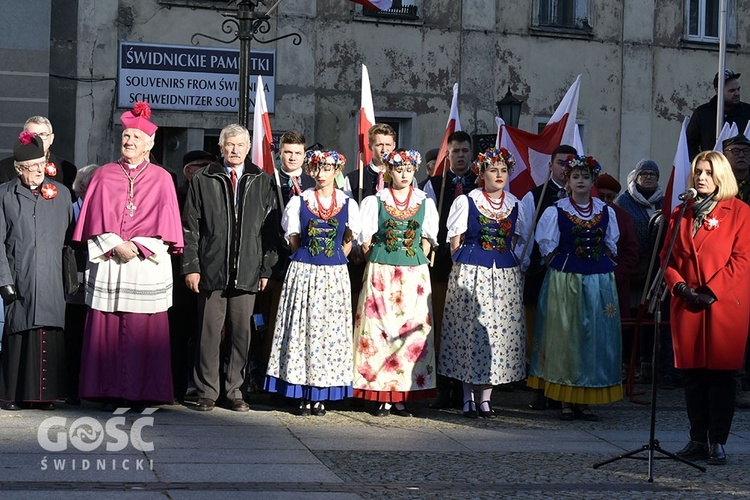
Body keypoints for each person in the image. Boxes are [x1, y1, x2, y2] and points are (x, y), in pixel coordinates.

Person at [73, 102, 184, 410]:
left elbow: (169, 224)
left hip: (144, 263)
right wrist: (114, 243)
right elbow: (91, 220)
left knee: (144, 331)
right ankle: (106, 391)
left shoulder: (163, 178)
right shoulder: (104, 175)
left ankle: (143, 393)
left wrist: (137, 245)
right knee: (107, 327)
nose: (129, 142)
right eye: (126, 137)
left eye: (136, 137)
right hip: (111, 260)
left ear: (149, 144)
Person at [182, 123, 279, 412]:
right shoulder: (204, 178)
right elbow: (191, 226)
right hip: (211, 269)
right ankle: (207, 391)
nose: (235, 150)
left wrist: (266, 269)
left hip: (248, 268)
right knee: (209, 333)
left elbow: (269, 229)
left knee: (241, 334)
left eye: (240, 145)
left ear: (248, 148)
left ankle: (235, 389)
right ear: (221, 148)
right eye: (230, 145)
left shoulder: (262, 180)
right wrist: (191, 266)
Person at [662, 151, 750, 465]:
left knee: (720, 377)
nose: (701, 177)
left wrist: (710, 292)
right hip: (687, 304)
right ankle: (697, 438)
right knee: (693, 377)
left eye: (708, 172)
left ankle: (718, 442)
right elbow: (667, 257)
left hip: (722, 305)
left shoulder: (740, 212)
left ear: (721, 176)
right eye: (698, 171)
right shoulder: (680, 211)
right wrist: (680, 287)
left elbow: (742, 260)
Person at [265, 150, 360, 416]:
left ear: (336, 171)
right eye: (316, 168)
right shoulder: (300, 201)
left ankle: (321, 394)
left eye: (327, 168)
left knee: (329, 332)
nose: (321, 174)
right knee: (302, 328)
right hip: (305, 270)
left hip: (333, 274)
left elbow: (349, 239)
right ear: (310, 171)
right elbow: (294, 240)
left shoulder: (347, 203)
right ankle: (301, 392)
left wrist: (335, 257)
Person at [528, 154, 622, 421]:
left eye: (585, 176)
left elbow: (611, 245)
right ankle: (564, 399)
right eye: (575, 176)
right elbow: (547, 248)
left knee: (593, 338)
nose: (580, 181)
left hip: (598, 281)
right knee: (565, 337)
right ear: (567, 180)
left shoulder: (606, 211)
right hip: (565, 280)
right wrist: (561, 269)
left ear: (593, 180)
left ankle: (585, 398)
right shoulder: (555, 210)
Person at [438, 148, 528, 419]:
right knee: (469, 333)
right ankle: (467, 397)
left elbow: (515, 241)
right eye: (493, 170)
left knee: (496, 336)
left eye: (503, 171)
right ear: (481, 173)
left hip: (503, 275)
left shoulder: (515, 204)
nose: (499, 175)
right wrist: (465, 267)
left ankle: (486, 398)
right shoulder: (468, 201)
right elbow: (455, 242)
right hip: (471, 272)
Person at [352, 149, 439, 417]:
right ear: (390, 171)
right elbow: (366, 240)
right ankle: (380, 395)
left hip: (413, 274)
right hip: (382, 271)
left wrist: (416, 259)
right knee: (379, 330)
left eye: (409, 169)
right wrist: (377, 259)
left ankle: (402, 395)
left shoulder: (425, 201)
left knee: (410, 331)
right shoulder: (376, 200)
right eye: (399, 169)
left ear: (415, 171)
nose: (404, 174)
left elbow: (427, 240)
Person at [0, 132, 73, 410]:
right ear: (19, 169)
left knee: (49, 331)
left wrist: (70, 276)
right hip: (20, 275)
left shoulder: (61, 194)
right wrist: (3, 279)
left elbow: (68, 241)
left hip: (52, 276)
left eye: (42, 165)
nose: (38, 172)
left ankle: (46, 395)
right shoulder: (5, 195)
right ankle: (14, 394)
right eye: (32, 167)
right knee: (21, 331)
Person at [520, 144, 577, 411]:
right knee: (539, 333)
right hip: (541, 273)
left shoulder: (583, 196)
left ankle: (564, 387)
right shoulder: (535, 196)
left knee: (565, 333)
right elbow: (526, 235)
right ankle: (539, 389)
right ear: (551, 165)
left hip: (572, 276)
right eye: (561, 163)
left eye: (570, 163)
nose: (566, 168)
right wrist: (525, 266)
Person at [423, 131, 478, 409]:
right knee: (444, 325)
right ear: (448, 154)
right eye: (454, 151)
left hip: (475, 266)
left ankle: (465, 386)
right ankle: (442, 385)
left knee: (467, 328)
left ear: (471, 154)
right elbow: (428, 221)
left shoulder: (480, 183)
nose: (459, 156)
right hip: (443, 265)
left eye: (464, 151)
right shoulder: (435, 184)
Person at [614, 158, 664, 381]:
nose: (649, 177)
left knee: (649, 316)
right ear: (636, 176)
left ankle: (646, 362)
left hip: (655, 268)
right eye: (644, 173)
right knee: (629, 315)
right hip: (631, 268)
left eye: (653, 174)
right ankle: (627, 364)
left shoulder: (664, 201)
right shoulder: (624, 202)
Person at [64, 163, 101, 406]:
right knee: (74, 336)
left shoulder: (102, 210)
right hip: (73, 282)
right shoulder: (69, 208)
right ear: (86, 186)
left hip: (97, 282)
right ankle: (71, 388)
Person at [594, 173, 639, 375]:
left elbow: (631, 250)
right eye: (600, 195)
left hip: (614, 283)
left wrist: (616, 275)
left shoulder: (622, 216)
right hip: (587, 281)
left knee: (613, 332)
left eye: (609, 197)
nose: (604, 201)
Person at [719, 133, 750, 409]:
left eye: (745, 151)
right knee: (734, 327)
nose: (741, 155)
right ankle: (735, 383)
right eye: (735, 150)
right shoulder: (721, 188)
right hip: (728, 263)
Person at [0, 116, 77, 196]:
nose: (38, 139)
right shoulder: (5, 168)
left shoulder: (67, 170)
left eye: (43, 134)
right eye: (33, 135)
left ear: (51, 138)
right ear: (24, 137)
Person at [687, 69, 750, 160]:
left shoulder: (747, 112)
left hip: (742, 172)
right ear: (718, 90)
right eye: (732, 90)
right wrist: (703, 163)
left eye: (738, 89)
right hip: (711, 170)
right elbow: (689, 145)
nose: (737, 93)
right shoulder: (702, 113)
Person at [343, 124, 396, 203]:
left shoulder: (403, 178)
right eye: (379, 145)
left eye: (388, 145)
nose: (384, 150)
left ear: (394, 145)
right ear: (370, 146)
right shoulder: (353, 179)